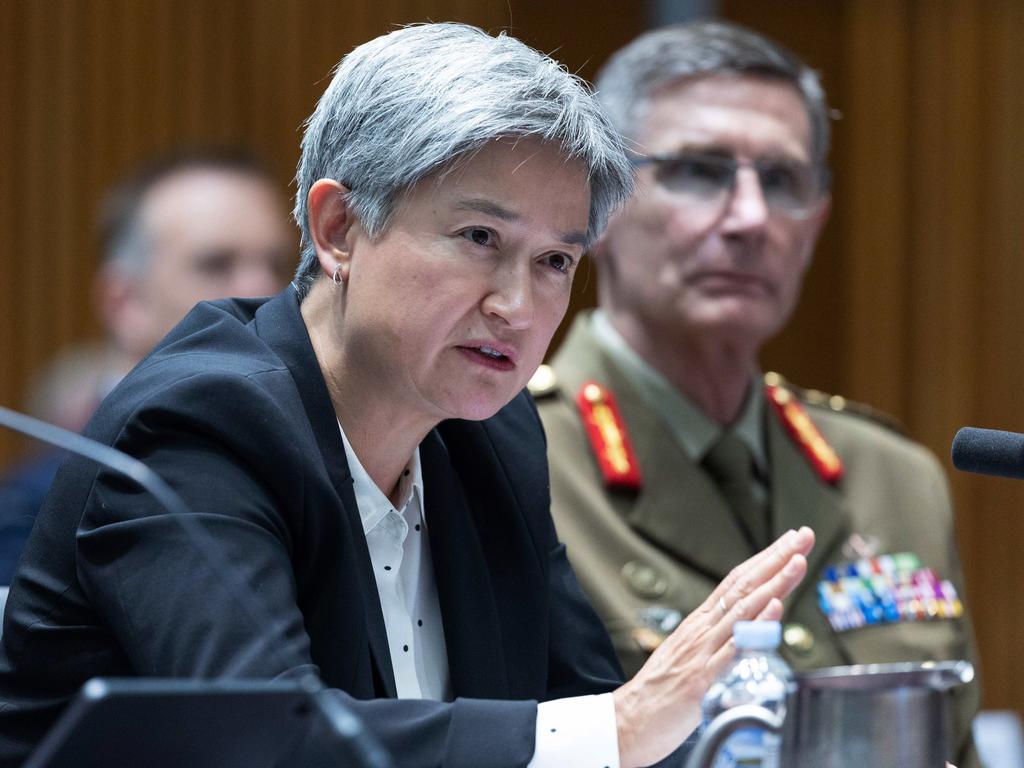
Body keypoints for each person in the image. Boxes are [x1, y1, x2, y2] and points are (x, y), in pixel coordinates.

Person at [0, 23, 814, 768]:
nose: (519, 306)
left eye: (556, 261)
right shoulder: (196, 428)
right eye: (481, 239)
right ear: (340, 230)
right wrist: (622, 726)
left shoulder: (489, 435)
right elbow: (272, 743)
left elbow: (583, 708)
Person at [532, 20, 981, 767]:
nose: (750, 218)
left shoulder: (895, 477)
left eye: (783, 181)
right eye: (700, 171)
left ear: (817, 220)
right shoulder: (511, 456)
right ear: (597, 204)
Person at [0, 148, 294, 581]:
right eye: (216, 263)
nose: (264, 290)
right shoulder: (29, 515)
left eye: (278, 264)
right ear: (126, 303)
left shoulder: (321, 476)